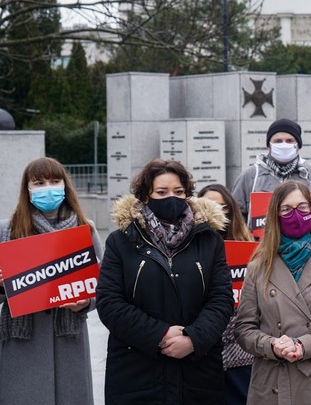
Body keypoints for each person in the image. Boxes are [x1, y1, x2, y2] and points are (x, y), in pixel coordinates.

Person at [96, 159, 233, 405]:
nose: (171, 198)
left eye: (178, 192)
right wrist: (160, 334)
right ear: (145, 196)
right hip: (136, 373)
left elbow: (221, 300)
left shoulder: (210, 240)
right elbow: (109, 302)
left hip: (197, 373)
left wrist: (193, 338)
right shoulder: (120, 242)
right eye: (161, 192)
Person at [235, 180, 311, 405]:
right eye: (286, 209)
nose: (295, 215)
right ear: (275, 215)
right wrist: (272, 345)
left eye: (302, 207)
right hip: (273, 382)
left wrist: (305, 345)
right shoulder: (258, 267)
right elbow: (244, 329)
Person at [0, 157, 104, 405]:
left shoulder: (85, 228)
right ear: (27, 189)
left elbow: (103, 286)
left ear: (65, 185)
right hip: (23, 343)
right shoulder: (7, 229)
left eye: (55, 181)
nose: (48, 187)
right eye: (39, 183)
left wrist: (85, 303)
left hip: (68, 340)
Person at [231, 118, 311, 240]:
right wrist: (245, 238)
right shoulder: (249, 177)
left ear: (298, 145)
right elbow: (234, 216)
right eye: (278, 141)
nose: (284, 145)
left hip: (307, 249)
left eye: (289, 141)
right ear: (269, 145)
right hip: (259, 249)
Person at [198, 184, 255, 405]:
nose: (218, 212)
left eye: (224, 207)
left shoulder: (248, 247)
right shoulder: (187, 247)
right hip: (202, 349)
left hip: (240, 354)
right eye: (210, 206)